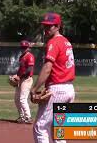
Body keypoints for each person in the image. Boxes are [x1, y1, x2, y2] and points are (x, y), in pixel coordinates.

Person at [30, 13, 75, 143]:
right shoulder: (66, 41)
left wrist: (34, 89)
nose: (46, 29)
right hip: (69, 89)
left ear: (58, 26)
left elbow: (47, 68)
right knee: (59, 129)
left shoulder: (53, 42)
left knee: (40, 127)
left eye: (50, 26)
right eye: (45, 26)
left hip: (57, 89)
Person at [13, 40, 35, 124]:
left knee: (22, 99)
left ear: (28, 47)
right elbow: (21, 69)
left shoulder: (30, 56)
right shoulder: (21, 57)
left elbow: (29, 70)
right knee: (16, 99)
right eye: (22, 47)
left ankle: (28, 117)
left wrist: (19, 76)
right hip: (21, 79)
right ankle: (22, 117)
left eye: (25, 47)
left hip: (27, 80)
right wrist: (16, 76)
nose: (23, 49)